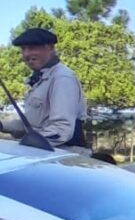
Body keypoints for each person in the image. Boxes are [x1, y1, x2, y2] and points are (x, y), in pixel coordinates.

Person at [0, 28, 90, 156]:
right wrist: (2, 125)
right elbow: (32, 125)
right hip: (45, 155)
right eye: (23, 49)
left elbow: (61, 129)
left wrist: (22, 146)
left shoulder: (62, 78)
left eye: (32, 48)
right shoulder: (41, 79)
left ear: (51, 48)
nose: (26, 54)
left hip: (63, 159)